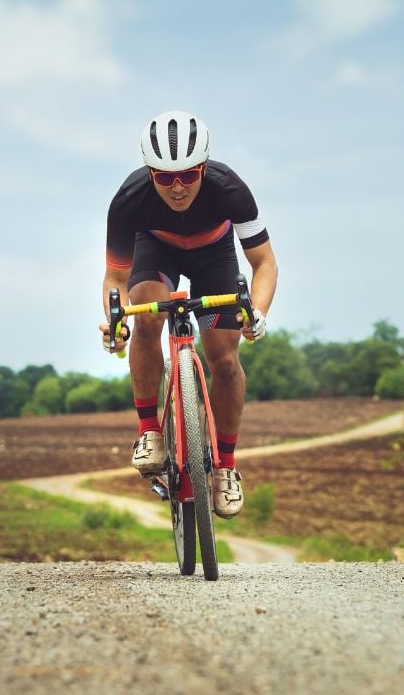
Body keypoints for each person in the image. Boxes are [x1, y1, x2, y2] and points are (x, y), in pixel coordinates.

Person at [98, 110, 278, 518]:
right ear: (150, 173)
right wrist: (116, 322)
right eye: (164, 178)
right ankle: (149, 431)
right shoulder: (129, 199)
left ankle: (225, 467)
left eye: (188, 175)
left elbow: (264, 262)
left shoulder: (230, 188)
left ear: (204, 168)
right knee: (146, 318)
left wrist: (258, 312)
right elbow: (115, 278)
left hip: (215, 255)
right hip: (155, 249)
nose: (177, 187)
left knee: (225, 360)